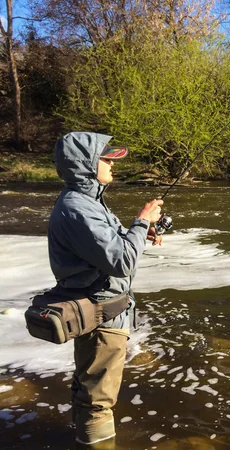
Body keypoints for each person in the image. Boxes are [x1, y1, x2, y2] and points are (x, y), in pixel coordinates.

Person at [47, 132, 164, 446]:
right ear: (85, 164)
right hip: (101, 318)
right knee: (98, 400)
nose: (113, 163)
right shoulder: (79, 209)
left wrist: (140, 233)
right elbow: (122, 262)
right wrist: (141, 221)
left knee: (88, 389)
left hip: (101, 311)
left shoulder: (86, 203)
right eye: (106, 158)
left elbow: (110, 248)